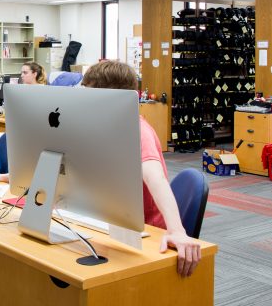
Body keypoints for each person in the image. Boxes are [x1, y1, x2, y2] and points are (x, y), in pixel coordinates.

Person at [81, 60, 201, 277]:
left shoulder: (137, 131)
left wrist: (177, 230)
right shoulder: (106, 126)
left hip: (144, 231)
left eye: (89, 93)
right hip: (114, 220)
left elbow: (156, 178)